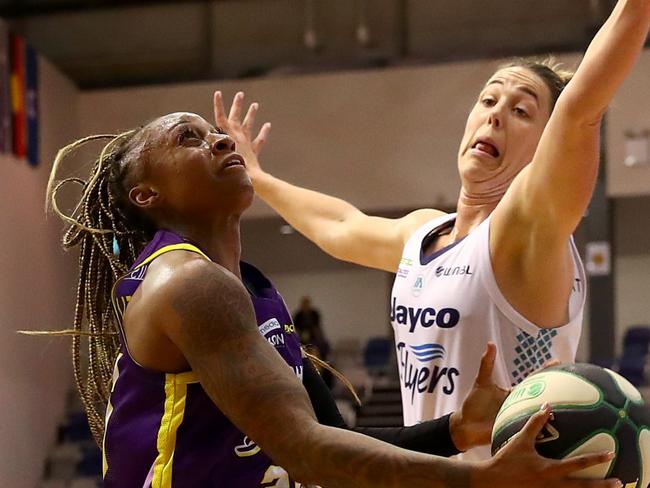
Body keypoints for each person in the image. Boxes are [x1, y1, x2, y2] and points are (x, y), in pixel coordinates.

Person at [44, 109, 619, 487]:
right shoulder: (185, 285)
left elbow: (333, 436)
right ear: (148, 195)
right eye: (188, 140)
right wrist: (480, 479)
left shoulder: (249, 289)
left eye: (210, 130)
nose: (219, 138)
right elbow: (306, 448)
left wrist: (454, 431)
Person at [225, 0, 650, 460]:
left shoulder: (528, 231)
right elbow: (341, 225)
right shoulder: (425, 233)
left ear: (548, 148)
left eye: (522, 111)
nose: (495, 115)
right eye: (488, 100)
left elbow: (581, 109)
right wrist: (259, 179)